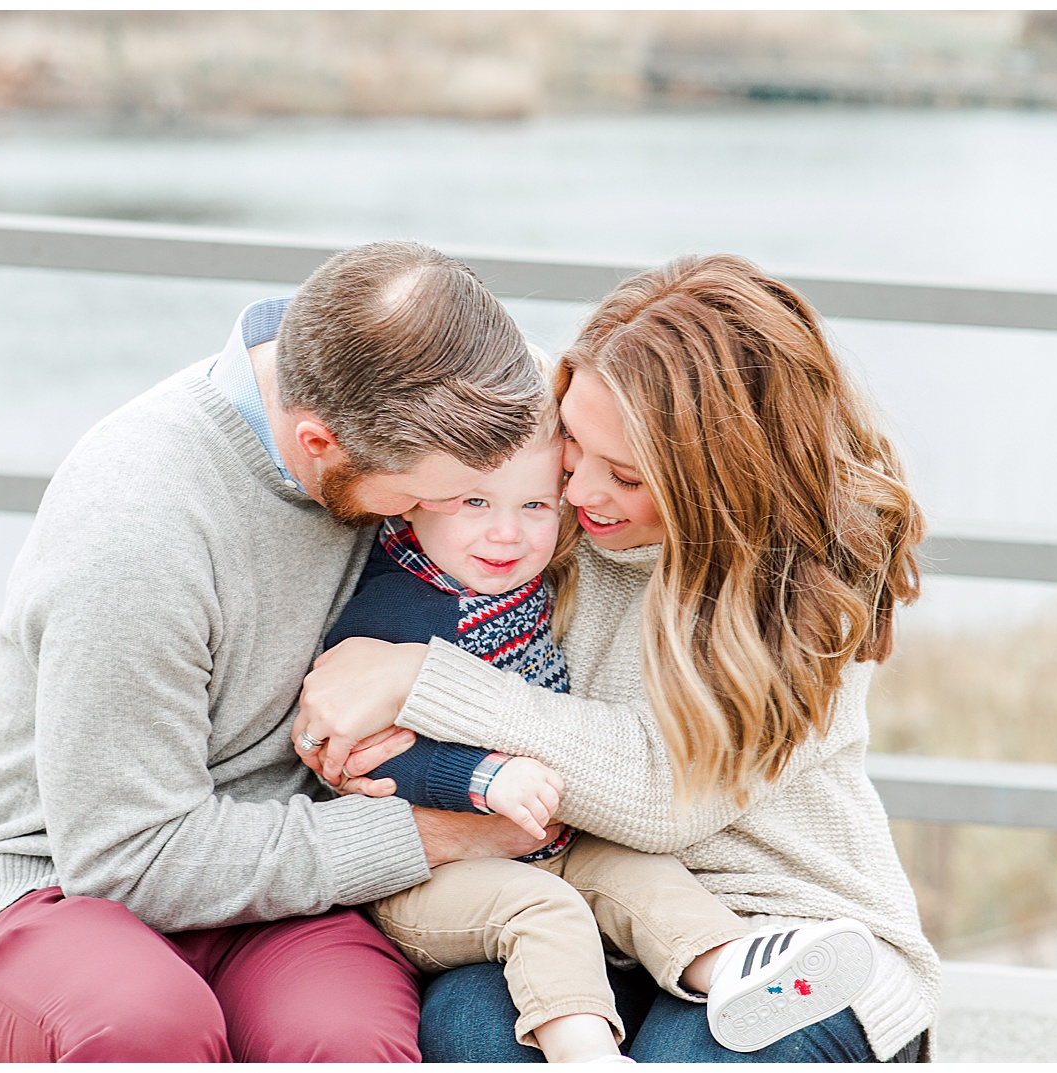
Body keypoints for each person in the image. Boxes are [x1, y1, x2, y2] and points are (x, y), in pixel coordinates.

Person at [294, 253, 941, 1062]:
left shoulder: (807, 581)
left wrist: (416, 681)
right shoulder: (545, 503)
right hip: (568, 899)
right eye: (571, 443)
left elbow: (667, 793)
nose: (575, 493)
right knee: (472, 1028)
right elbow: (395, 392)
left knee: (693, 1055)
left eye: (626, 476)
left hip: (786, 929)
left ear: (722, 478)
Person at [0, 241, 560, 1062]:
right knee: (148, 1029)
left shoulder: (399, 393)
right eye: (417, 498)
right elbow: (129, 856)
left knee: (350, 1042)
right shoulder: (137, 529)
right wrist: (434, 834)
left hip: (280, 893)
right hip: (63, 888)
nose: (435, 519)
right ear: (320, 441)